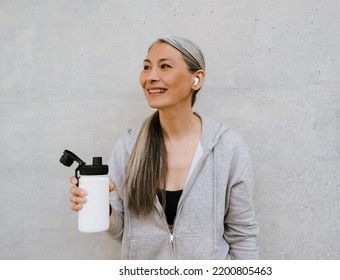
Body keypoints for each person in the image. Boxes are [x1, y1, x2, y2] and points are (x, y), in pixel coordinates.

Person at [69, 36, 259, 259]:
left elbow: (243, 235)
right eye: (146, 67)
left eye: (165, 66)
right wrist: (99, 206)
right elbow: (124, 231)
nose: (150, 77)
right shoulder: (129, 146)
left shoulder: (228, 147)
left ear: (196, 79)